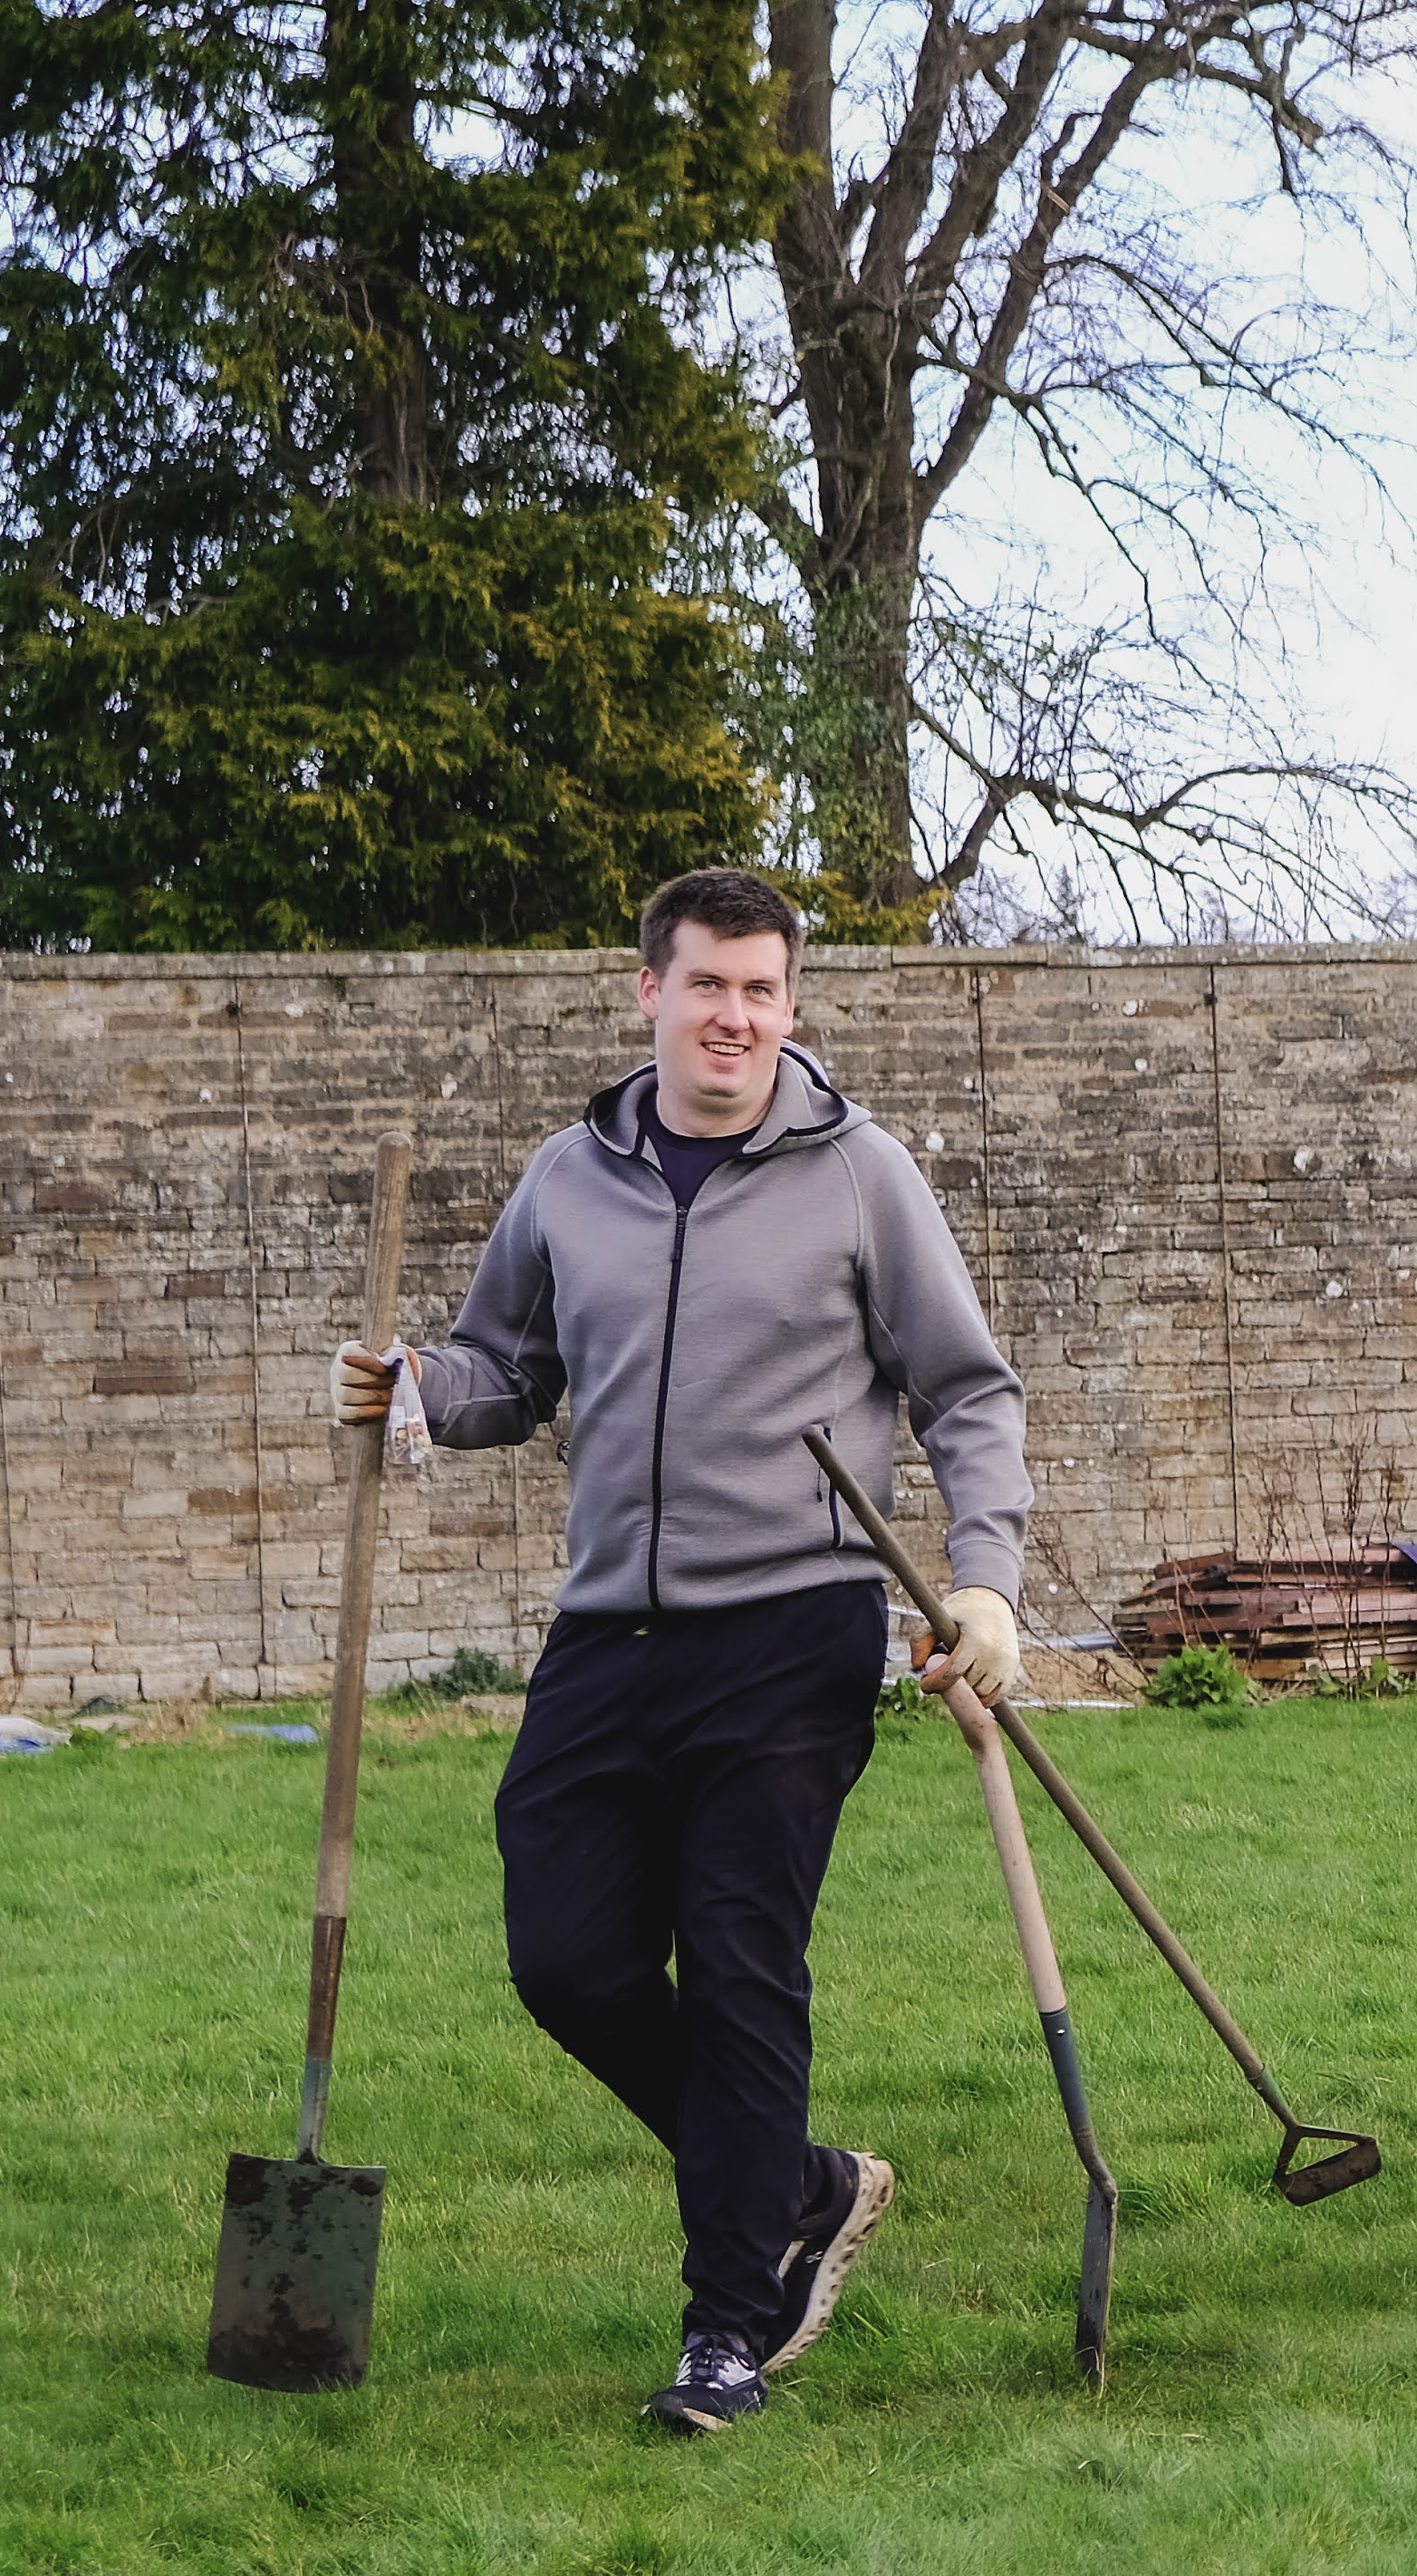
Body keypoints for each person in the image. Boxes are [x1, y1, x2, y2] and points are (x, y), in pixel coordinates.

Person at [335, 867, 1032, 2430]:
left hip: (793, 1627)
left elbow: (968, 1391)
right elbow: (508, 1367)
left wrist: (984, 1584)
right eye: (708, 984)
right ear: (648, 989)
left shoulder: (859, 1174)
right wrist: (413, 1388)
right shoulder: (567, 1177)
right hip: (609, 1627)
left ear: (791, 1004)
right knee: (565, 1959)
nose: (735, 1017)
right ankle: (798, 2184)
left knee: (735, 1963)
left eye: (762, 991)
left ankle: (728, 2325)